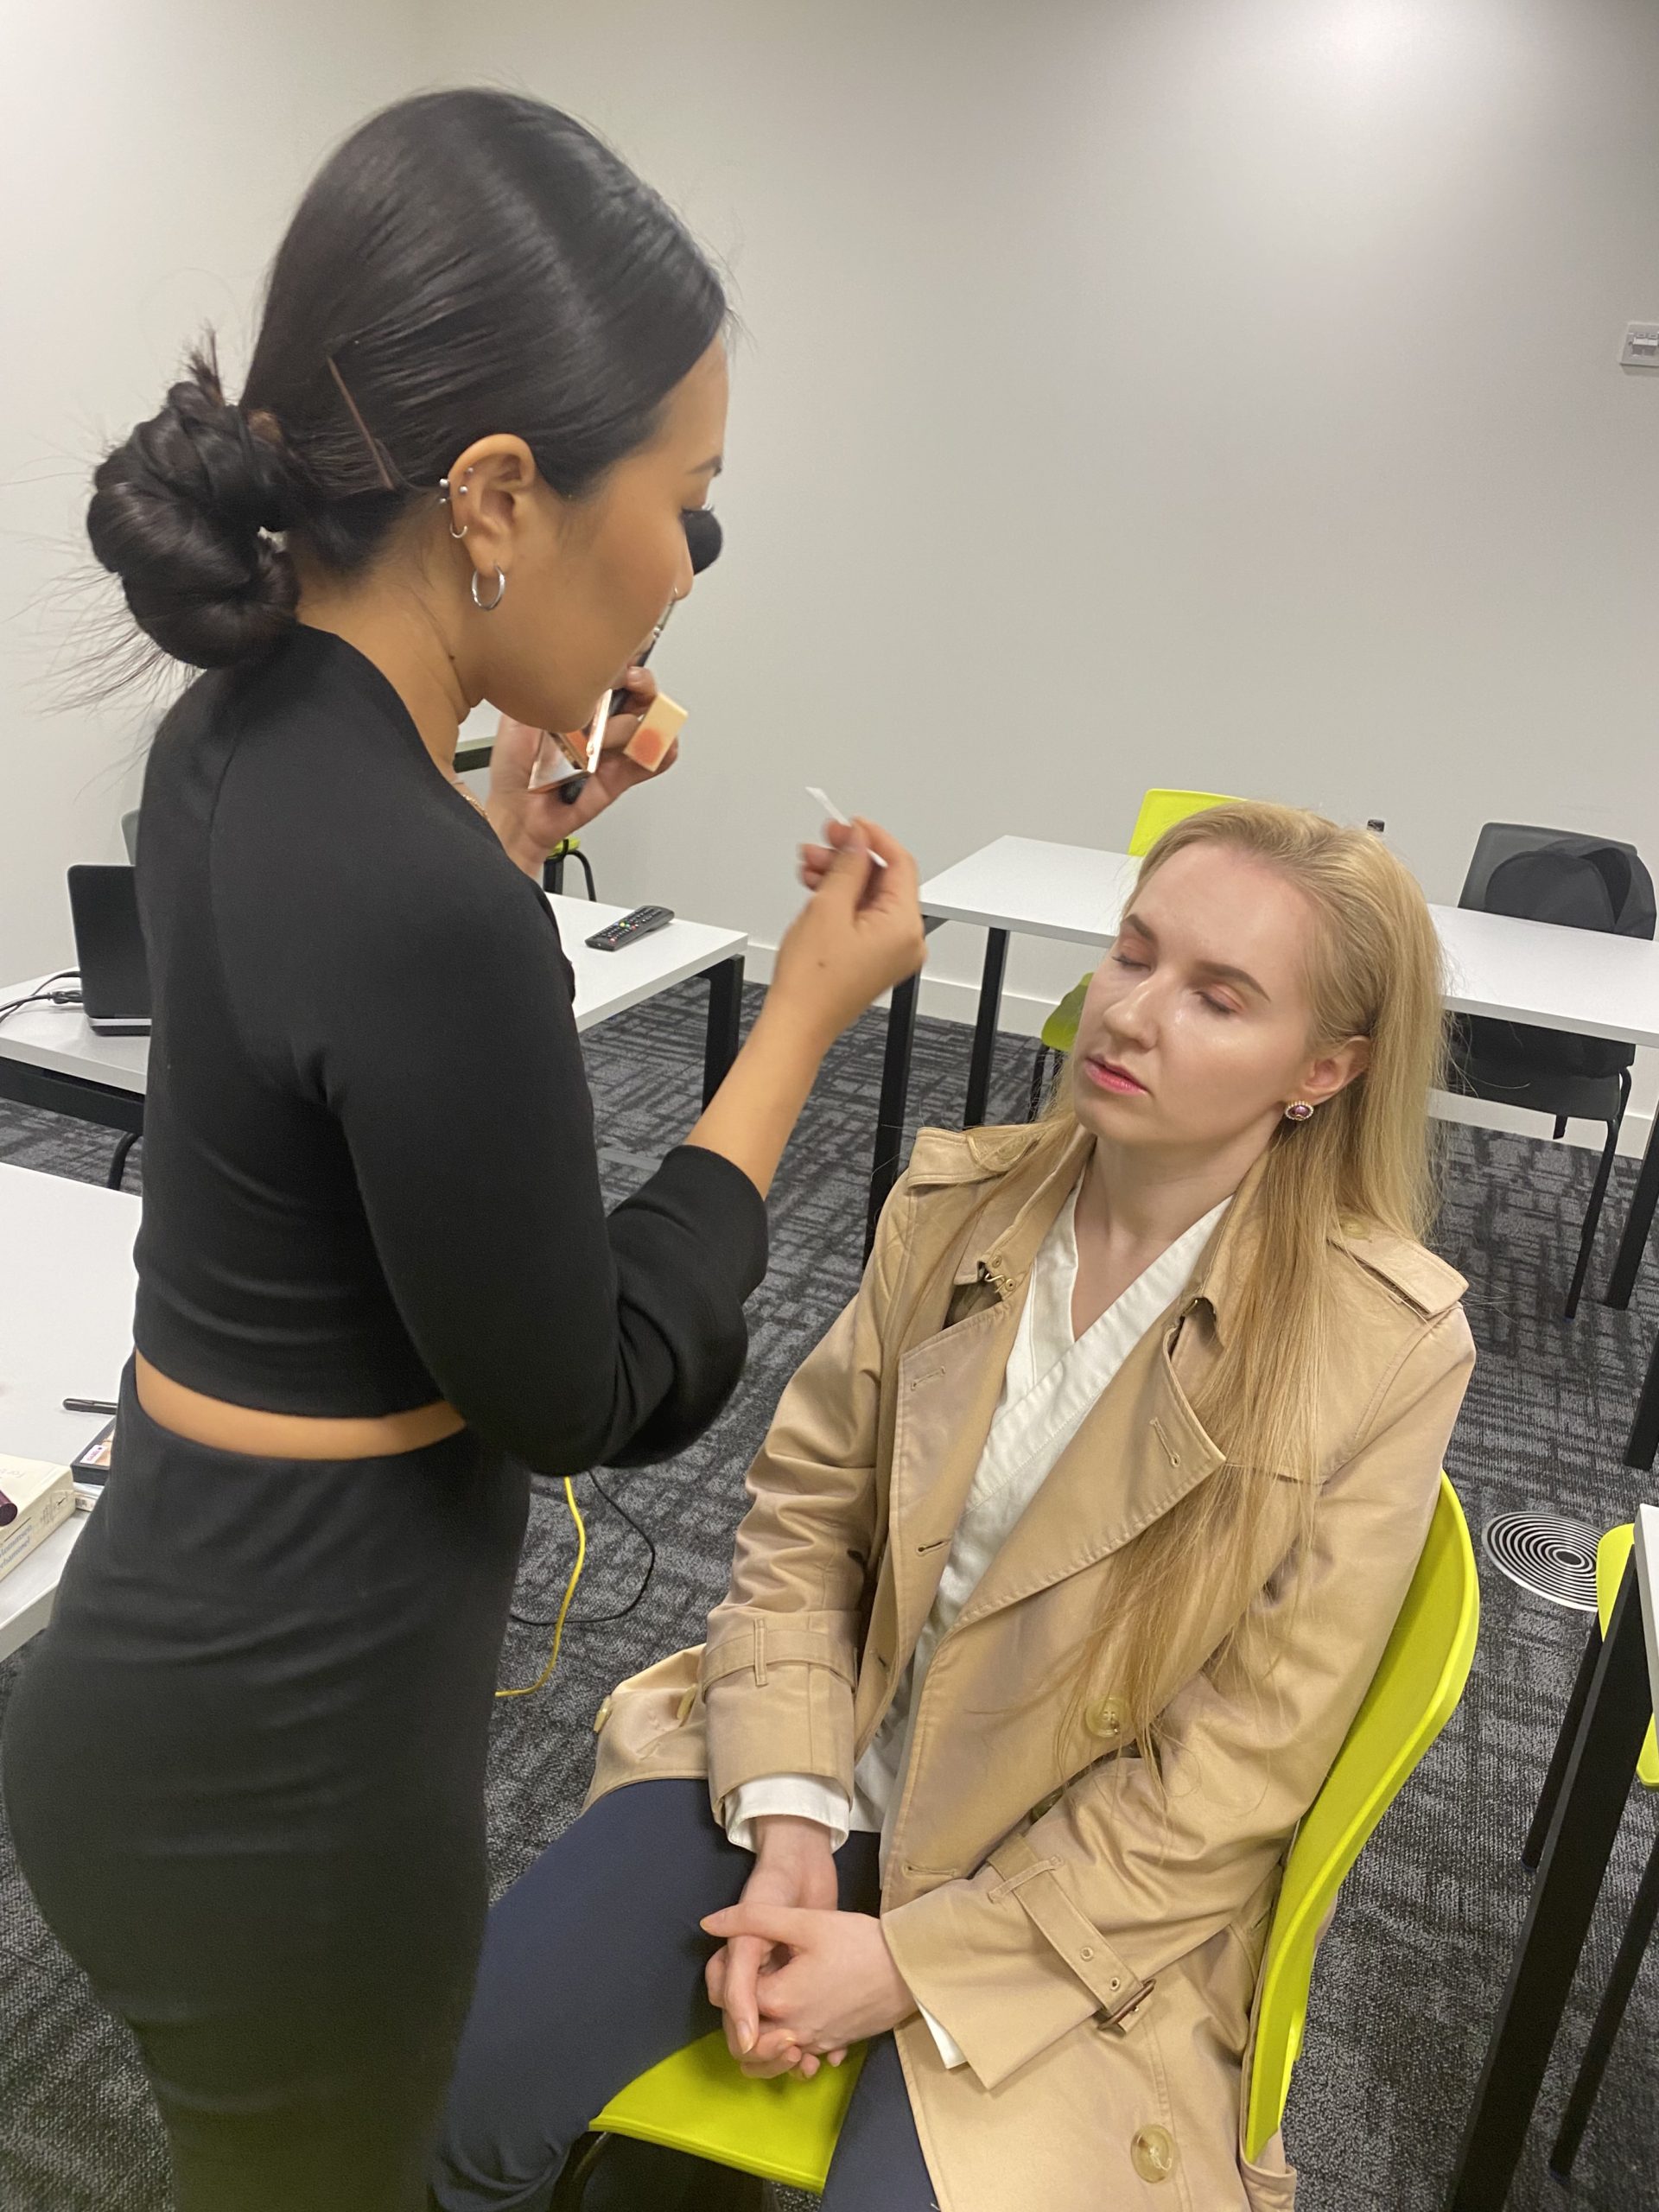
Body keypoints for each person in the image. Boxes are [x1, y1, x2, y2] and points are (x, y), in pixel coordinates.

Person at [0, 89, 925, 2212]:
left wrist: (504, 835)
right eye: (691, 503)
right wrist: (795, 1017)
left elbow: (329, 1074)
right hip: (289, 1795)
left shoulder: (233, 734)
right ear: (497, 494)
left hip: (156, 1688)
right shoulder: (417, 894)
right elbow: (583, 1379)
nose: (694, 559)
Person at [429, 801, 1477, 2212]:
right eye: (1134, 955)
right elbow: (803, 1525)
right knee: (438, 2106)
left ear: (1326, 1068)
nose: (1130, 1013)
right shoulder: (954, 1201)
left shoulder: (1386, 1348)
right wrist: (796, 1821)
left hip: (1077, 1903)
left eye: (1218, 998)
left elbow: (1233, 1778)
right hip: (829, 1750)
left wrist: (913, 1963)